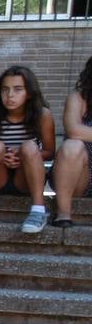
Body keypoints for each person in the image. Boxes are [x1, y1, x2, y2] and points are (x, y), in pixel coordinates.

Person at [0, 65, 56, 232]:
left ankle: (38, 210)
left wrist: (21, 156)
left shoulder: (42, 115)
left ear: (29, 93)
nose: (10, 95)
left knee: (29, 146)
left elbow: (50, 152)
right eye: (5, 90)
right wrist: (4, 156)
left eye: (18, 89)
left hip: (26, 178)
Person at [51, 56, 92, 228]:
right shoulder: (78, 99)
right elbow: (74, 130)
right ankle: (64, 213)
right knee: (72, 145)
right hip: (80, 175)